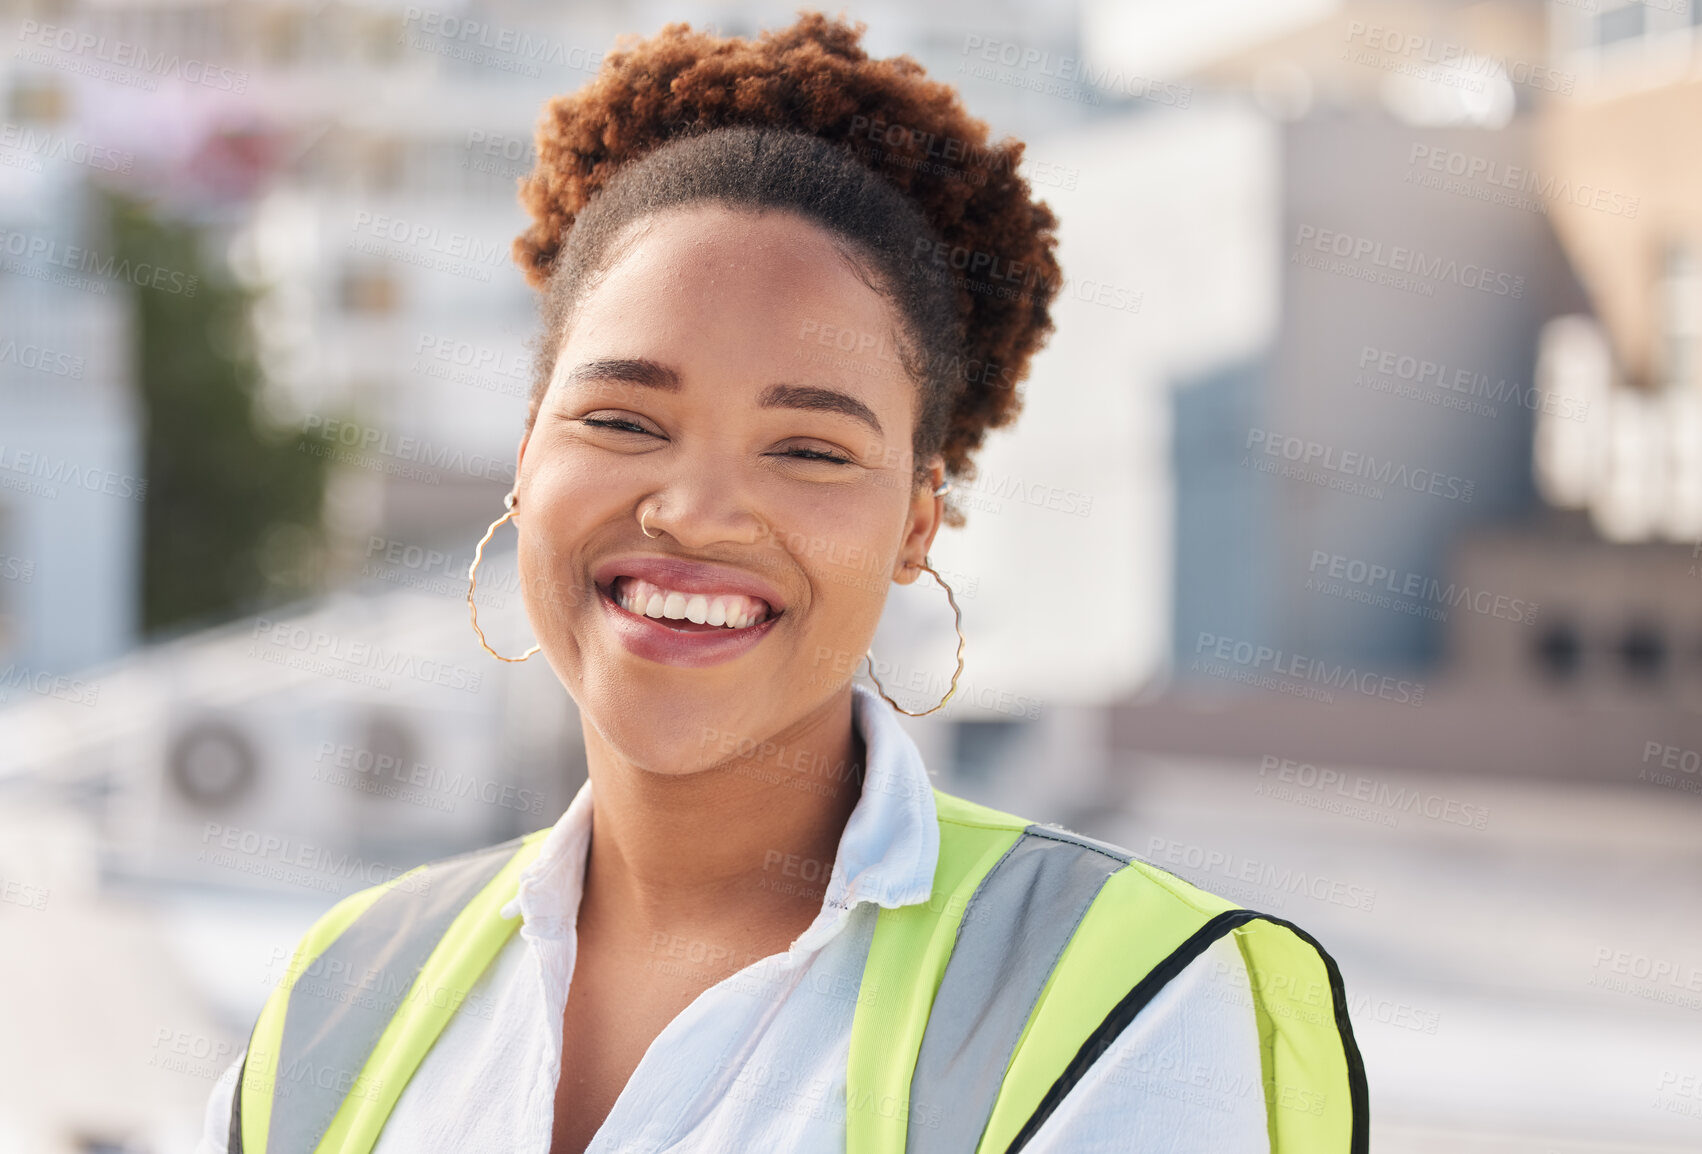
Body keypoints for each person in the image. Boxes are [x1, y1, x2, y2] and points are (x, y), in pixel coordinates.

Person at [200, 13, 1365, 1153]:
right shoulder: (338, 1001)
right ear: (526, 460)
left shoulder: (1136, 1010)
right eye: (620, 417)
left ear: (917, 523)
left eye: (809, 447)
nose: (697, 510)